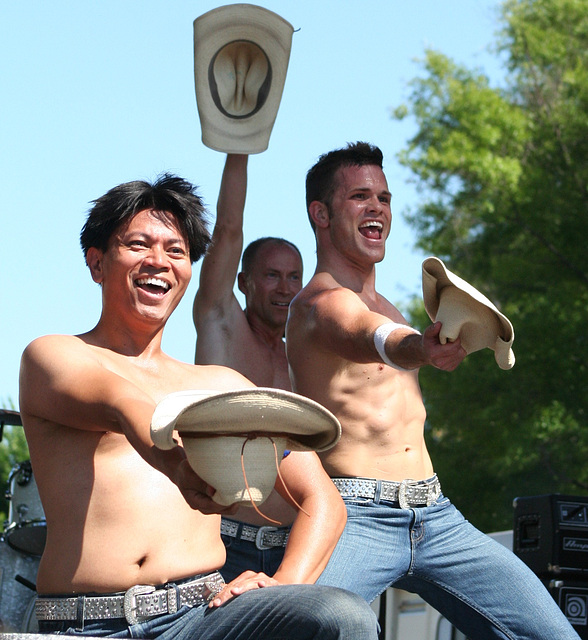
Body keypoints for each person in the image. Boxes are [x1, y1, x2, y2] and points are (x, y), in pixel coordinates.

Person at [18, 173, 379, 639]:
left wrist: (283, 585)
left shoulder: (221, 386)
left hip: (203, 616)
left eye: (176, 250)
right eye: (138, 245)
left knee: (343, 615)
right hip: (88, 622)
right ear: (97, 263)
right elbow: (123, 405)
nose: (158, 261)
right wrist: (180, 469)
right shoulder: (53, 355)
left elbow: (323, 499)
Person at [285, 142, 580, 640]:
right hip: (356, 515)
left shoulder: (389, 304)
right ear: (321, 214)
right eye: (359, 196)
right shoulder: (318, 304)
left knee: (553, 634)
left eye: (384, 196)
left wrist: (416, 341)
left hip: (438, 517)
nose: (376, 206)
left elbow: (383, 326)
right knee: (300, 626)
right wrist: (419, 347)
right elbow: (368, 334)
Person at [192, 154, 344, 582]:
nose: (286, 288)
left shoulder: (303, 354)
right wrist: (240, 147)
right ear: (244, 282)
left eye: (294, 276)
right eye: (272, 275)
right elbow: (227, 230)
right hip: (222, 543)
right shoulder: (221, 325)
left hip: (292, 549)